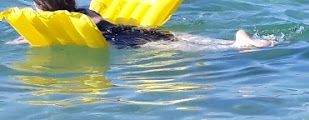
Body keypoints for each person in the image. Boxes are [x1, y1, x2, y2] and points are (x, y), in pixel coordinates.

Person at [31, 0, 273, 49]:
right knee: (175, 38)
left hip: (123, 41)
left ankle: (233, 46)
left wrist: (20, 40)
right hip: (129, 30)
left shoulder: (55, 21)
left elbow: (37, 37)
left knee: (176, 47)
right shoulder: (86, 10)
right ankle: (235, 40)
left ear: (41, 7)